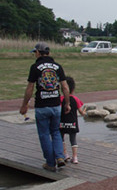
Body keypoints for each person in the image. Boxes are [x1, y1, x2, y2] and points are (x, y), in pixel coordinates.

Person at [19, 42, 71, 172]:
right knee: (56, 132)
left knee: (44, 134)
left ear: (38, 52)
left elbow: (30, 88)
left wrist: (24, 105)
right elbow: (65, 87)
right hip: (56, 105)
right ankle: (59, 156)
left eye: (35, 52)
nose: (34, 55)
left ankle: (50, 163)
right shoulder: (58, 67)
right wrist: (67, 103)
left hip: (42, 106)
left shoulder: (35, 67)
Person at [60, 76, 86, 164]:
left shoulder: (61, 99)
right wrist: (84, 112)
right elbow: (81, 112)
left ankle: (65, 154)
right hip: (73, 123)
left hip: (62, 122)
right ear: (73, 88)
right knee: (73, 140)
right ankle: (75, 157)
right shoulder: (75, 99)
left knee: (61, 138)